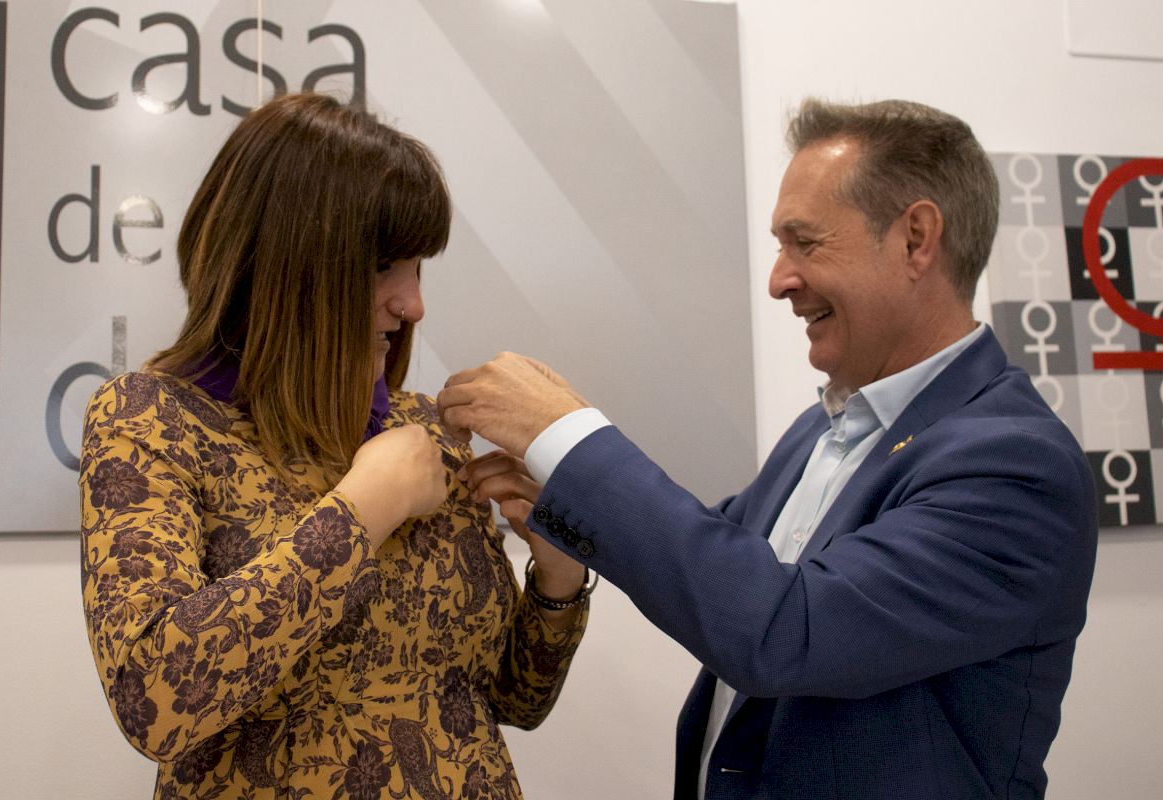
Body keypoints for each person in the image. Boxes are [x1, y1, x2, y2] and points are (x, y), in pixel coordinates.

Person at [437, 98, 1099, 799]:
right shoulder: (828, 426)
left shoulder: (1018, 467)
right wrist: (562, 506)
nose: (780, 280)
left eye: (804, 243)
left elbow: (785, 629)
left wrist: (567, 437)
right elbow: (721, 562)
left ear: (916, 239)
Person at [79, 92, 591, 800]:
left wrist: (559, 576)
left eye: (417, 268)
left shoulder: (426, 433)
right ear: (282, 265)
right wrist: (363, 509)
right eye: (383, 266)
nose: (413, 304)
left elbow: (511, 699)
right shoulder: (153, 420)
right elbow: (155, 702)